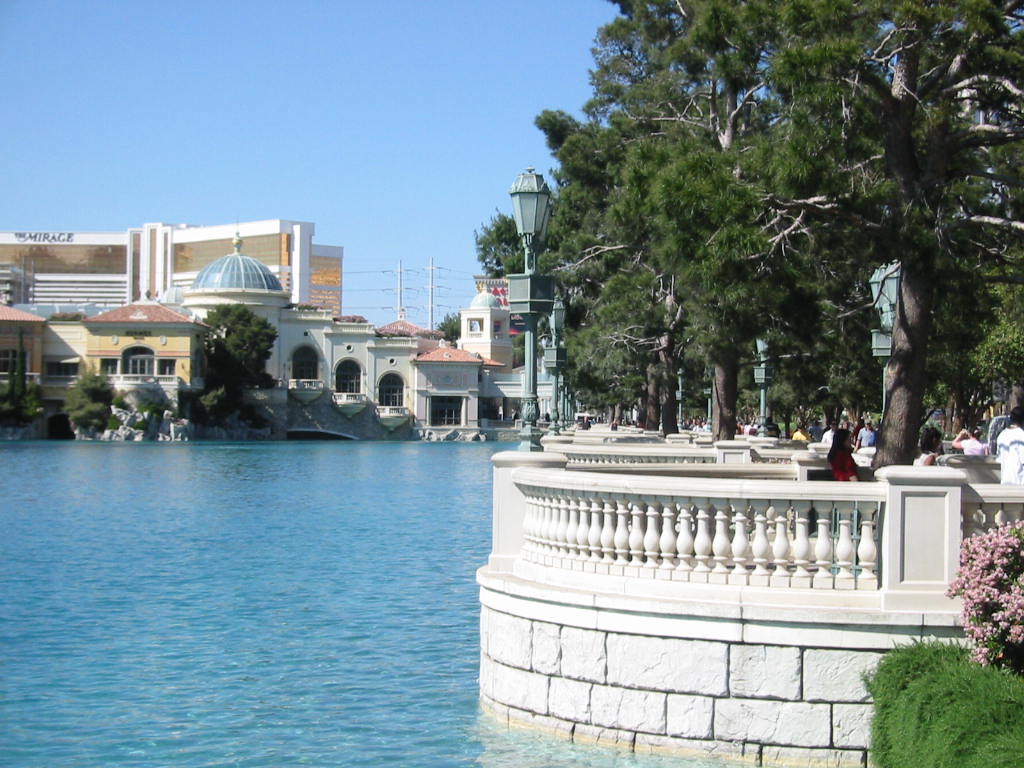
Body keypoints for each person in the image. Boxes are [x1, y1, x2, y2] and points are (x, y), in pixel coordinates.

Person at [996, 406, 1024, 485]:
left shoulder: (1001, 435)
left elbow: (999, 459)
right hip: (1020, 483)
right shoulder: (1022, 435)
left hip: (1005, 482)